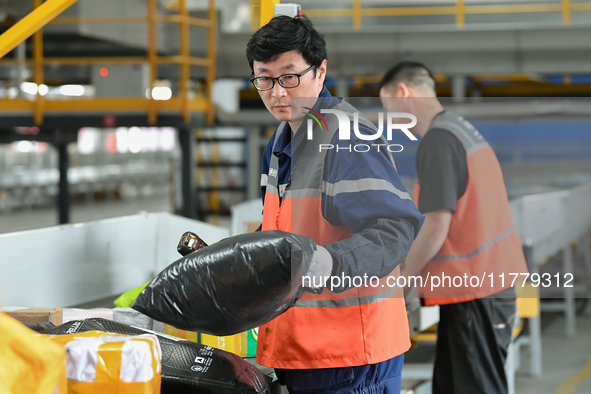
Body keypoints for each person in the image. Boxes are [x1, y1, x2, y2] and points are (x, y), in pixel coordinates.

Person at [247, 16, 424, 394]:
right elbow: (284, 228)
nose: (278, 92)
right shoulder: (280, 141)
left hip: (350, 358)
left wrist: (329, 263)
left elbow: (395, 230)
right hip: (301, 349)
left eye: (290, 76)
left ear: (321, 70)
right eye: (264, 78)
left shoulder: (345, 137)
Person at [379, 61, 528, 394]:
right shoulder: (461, 130)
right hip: (485, 286)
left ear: (403, 93)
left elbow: (436, 223)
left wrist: (402, 280)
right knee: (452, 386)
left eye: (388, 106)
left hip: (473, 289)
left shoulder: (438, 140)